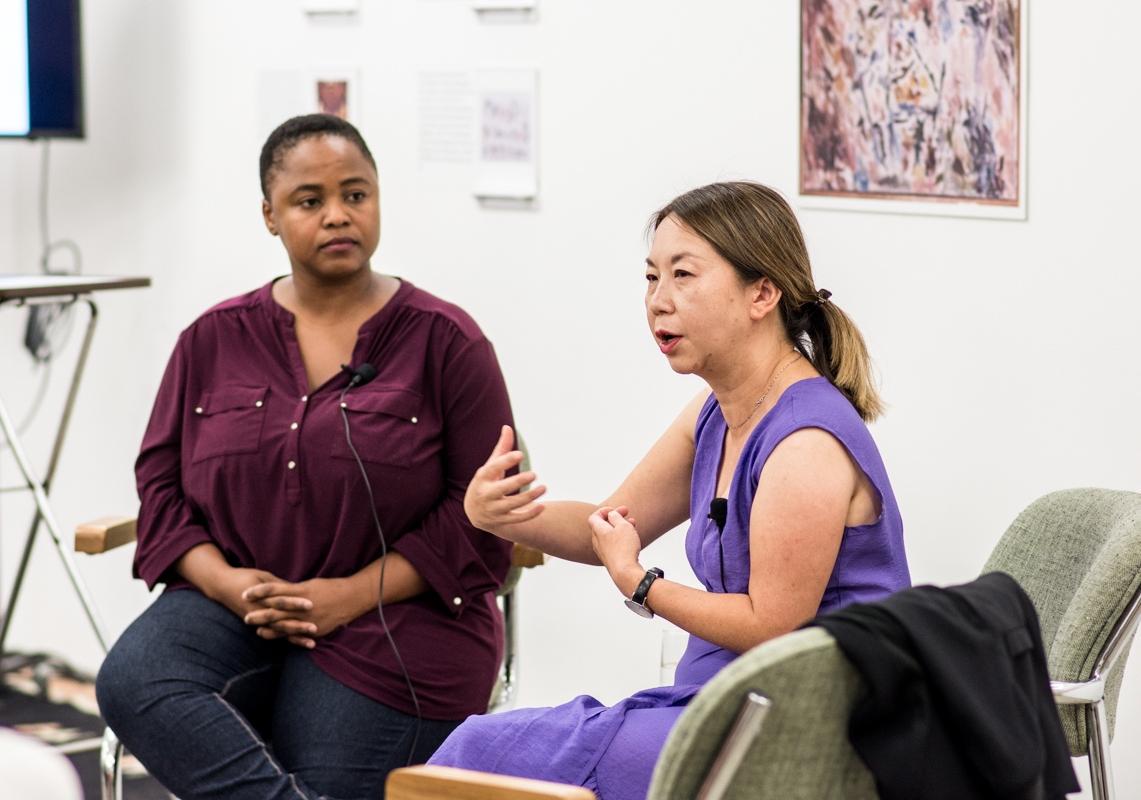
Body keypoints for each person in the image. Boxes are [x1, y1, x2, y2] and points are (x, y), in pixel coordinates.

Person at [428, 181, 911, 799]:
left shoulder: (806, 441)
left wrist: (643, 584)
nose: (658, 301)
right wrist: (499, 517)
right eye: (651, 277)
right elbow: (607, 526)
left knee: (480, 756)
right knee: (480, 751)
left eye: (683, 275)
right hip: (725, 701)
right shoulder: (716, 413)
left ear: (762, 293)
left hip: (807, 724)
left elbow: (771, 625)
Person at [95, 114, 516, 800]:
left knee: (322, 763)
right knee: (134, 679)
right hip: (237, 602)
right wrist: (229, 584)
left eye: (356, 194)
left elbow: (483, 513)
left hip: (398, 621)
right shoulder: (211, 339)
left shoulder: (447, 341)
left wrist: (347, 596)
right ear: (270, 214)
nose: (337, 216)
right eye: (309, 201)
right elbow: (162, 488)